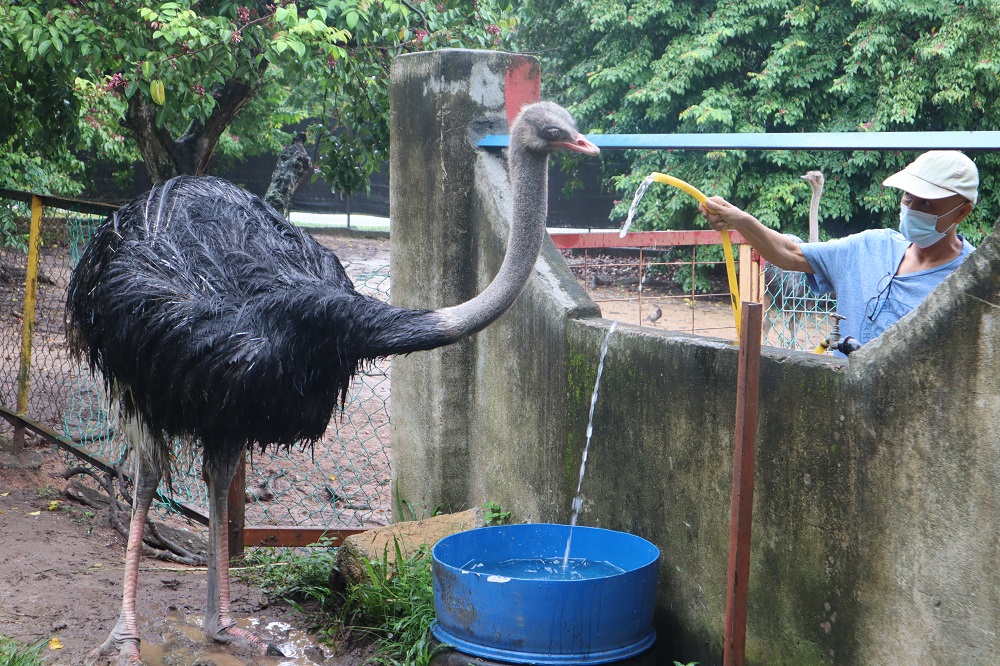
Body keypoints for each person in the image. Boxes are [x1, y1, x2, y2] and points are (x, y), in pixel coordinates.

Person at [698, 150, 978, 353]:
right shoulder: (870, 247)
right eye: (907, 196)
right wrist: (740, 219)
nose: (911, 208)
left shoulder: (971, 284)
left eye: (927, 203)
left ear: (962, 211)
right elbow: (788, 253)